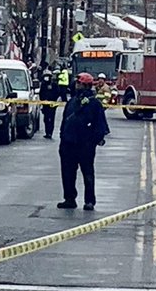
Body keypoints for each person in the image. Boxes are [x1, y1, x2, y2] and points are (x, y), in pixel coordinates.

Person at [57, 72, 109, 211]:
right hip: (68, 143)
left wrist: (93, 141)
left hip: (85, 145)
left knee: (87, 173)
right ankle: (69, 198)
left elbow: (100, 126)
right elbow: (65, 120)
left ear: (85, 85)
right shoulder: (72, 101)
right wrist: (62, 138)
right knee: (67, 173)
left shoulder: (94, 103)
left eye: (79, 83)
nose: (76, 85)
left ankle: (89, 201)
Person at [39, 69, 62, 140]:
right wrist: (42, 101)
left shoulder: (54, 84)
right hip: (45, 105)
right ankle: (47, 132)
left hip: (52, 105)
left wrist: (54, 100)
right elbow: (41, 93)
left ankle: (50, 133)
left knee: (51, 119)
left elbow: (58, 93)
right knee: (46, 119)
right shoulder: (43, 84)